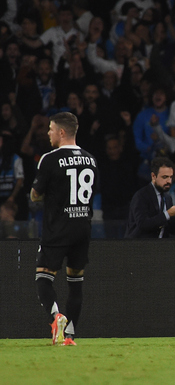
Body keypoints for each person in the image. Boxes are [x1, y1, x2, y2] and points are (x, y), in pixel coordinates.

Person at [31, 111, 98, 346]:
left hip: (58, 227)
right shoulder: (91, 159)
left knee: (43, 277)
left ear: (61, 132)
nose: (48, 133)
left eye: (50, 129)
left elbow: (35, 195)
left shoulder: (49, 159)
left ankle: (56, 317)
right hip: (82, 227)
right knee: (75, 282)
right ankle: (69, 335)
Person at [124, 157, 175, 238]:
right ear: (153, 176)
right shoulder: (141, 196)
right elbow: (143, 224)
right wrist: (167, 214)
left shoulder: (168, 198)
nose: (169, 181)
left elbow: (171, 230)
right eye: (165, 177)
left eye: (171, 177)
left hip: (160, 248)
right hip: (139, 247)